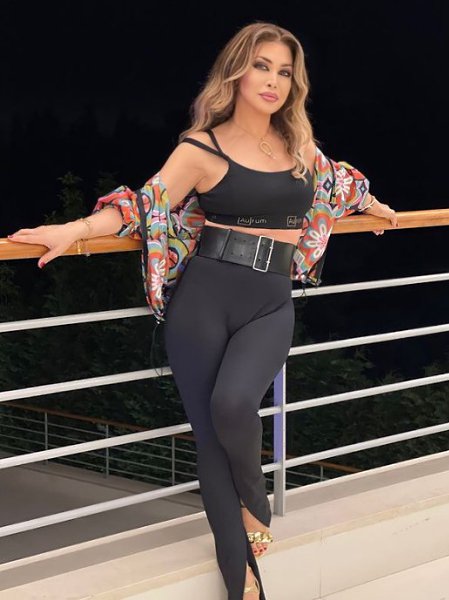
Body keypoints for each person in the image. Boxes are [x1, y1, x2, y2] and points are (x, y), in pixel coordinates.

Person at [7, 20, 398, 600]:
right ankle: (244, 583)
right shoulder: (201, 148)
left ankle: (254, 503)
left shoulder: (299, 147)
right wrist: (75, 229)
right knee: (212, 442)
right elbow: (143, 207)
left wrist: (372, 202)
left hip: (270, 303)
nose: (273, 81)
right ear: (236, 72)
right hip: (204, 301)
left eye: (284, 71)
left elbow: (336, 184)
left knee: (233, 404)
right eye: (261, 66)